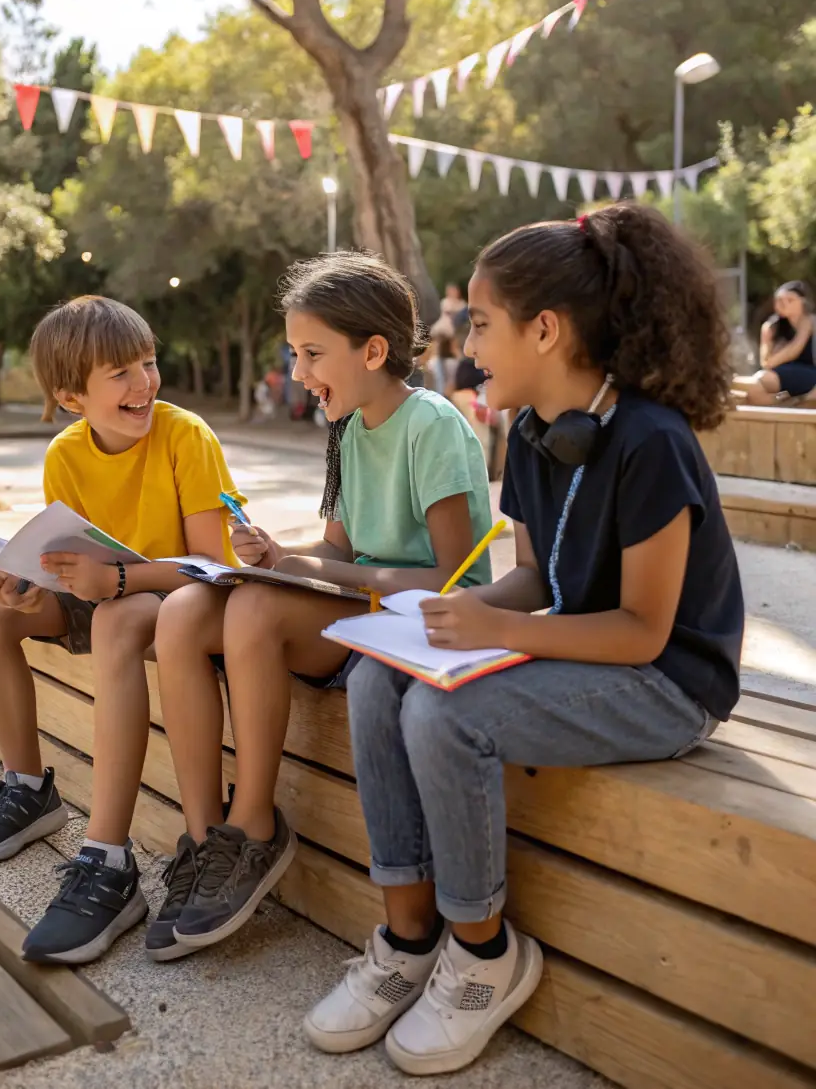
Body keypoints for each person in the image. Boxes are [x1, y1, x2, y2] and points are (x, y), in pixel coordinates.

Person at [305, 205, 743, 1076]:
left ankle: (482, 954)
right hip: (594, 653)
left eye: (481, 322)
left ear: (546, 329)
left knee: (444, 715)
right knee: (376, 678)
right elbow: (535, 578)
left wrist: (500, 630)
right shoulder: (538, 436)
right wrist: (435, 618)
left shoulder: (652, 442)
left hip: (667, 681)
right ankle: (407, 934)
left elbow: (645, 631)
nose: (468, 347)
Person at [148, 251, 494, 961]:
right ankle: (204, 834)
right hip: (352, 610)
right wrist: (282, 556)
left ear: (373, 350)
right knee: (184, 610)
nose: (299, 373)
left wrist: (313, 575)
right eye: (294, 353)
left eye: (311, 353)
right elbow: (340, 548)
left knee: (251, 612)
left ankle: (254, 828)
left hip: (410, 628)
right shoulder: (349, 425)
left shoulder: (432, 424)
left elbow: (450, 577)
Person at [0, 295, 245, 965]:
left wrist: (116, 582)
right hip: (103, 595)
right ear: (71, 395)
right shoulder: (66, 454)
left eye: (148, 361)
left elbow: (211, 567)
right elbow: (66, 561)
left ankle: (108, 860)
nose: (144, 382)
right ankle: (27, 789)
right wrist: (24, 586)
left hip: (174, 600)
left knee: (113, 617)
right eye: (121, 372)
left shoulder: (184, 435)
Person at [733, 280, 816, 404]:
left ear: (803, 302)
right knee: (756, 385)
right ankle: (786, 403)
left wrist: (780, 352)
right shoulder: (771, 327)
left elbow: (794, 350)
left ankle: (793, 401)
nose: (783, 304)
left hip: (809, 373)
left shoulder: (810, 321)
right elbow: (766, 363)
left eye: (790, 300)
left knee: (761, 379)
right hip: (779, 374)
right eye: (779, 300)